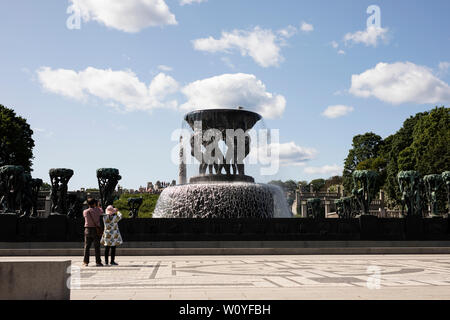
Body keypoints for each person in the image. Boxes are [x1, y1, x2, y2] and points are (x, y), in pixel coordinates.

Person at [83, 198, 104, 267]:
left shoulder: (85, 211)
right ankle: (98, 262)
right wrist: (97, 206)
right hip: (96, 230)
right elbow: (102, 212)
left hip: (87, 230)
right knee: (97, 247)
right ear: (94, 203)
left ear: (88, 204)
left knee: (87, 246)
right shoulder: (98, 210)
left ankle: (85, 262)